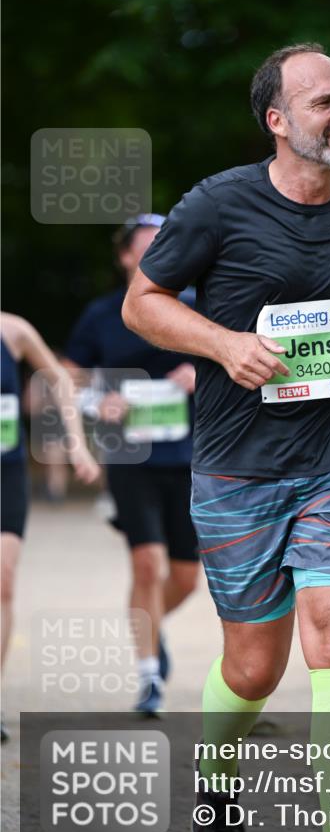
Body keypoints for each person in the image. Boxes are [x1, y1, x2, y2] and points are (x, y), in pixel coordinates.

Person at [122, 42, 330, 832]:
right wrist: (222, 345)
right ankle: (217, 775)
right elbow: (146, 302)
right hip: (238, 463)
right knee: (254, 665)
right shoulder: (216, 205)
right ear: (277, 121)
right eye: (323, 103)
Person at [64, 215, 200, 717]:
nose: (152, 253)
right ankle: (149, 677)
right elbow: (67, 380)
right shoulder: (102, 316)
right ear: (125, 257)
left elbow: (235, 365)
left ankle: (149, 625)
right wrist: (97, 402)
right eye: (142, 247)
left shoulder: (194, 309)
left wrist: (201, 368)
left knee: (186, 578)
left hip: (190, 457)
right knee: (147, 562)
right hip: (130, 457)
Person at [1, 311, 99, 739]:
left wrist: (76, 443)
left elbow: (59, 378)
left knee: (2, 580)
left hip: (5, 473)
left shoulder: (14, 330)